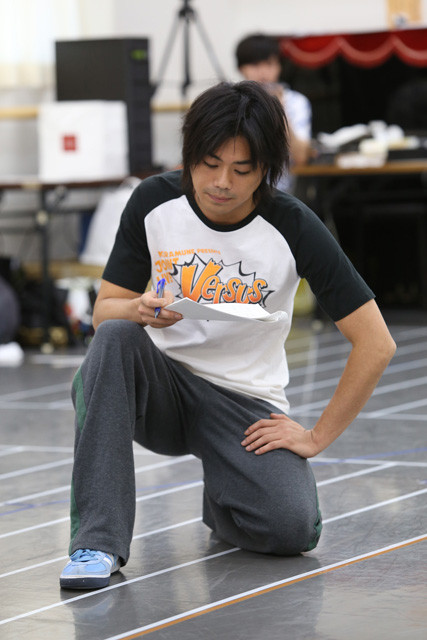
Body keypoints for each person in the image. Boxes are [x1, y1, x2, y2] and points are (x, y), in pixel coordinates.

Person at [60, 81, 396, 590]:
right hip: (161, 390)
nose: (221, 183)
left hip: (244, 406)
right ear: (190, 154)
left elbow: (376, 343)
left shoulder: (294, 226)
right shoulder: (152, 201)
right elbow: (105, 311)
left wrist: (315, 437)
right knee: (114, 338)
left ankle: (223, 499)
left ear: (266, 170)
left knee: (292, 529)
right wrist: (137, 308)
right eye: (209, 163)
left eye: (242, 170)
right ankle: (96, 542)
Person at [235, 33, 312, 192]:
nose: (263, 73)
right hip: (238, 190)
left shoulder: (296, 102)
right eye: (255, 65)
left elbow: (300, 157)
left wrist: (279, 109)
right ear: (241, 69)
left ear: (279, 66)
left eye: (269, 64)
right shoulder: (231, 102)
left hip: (280, 192)